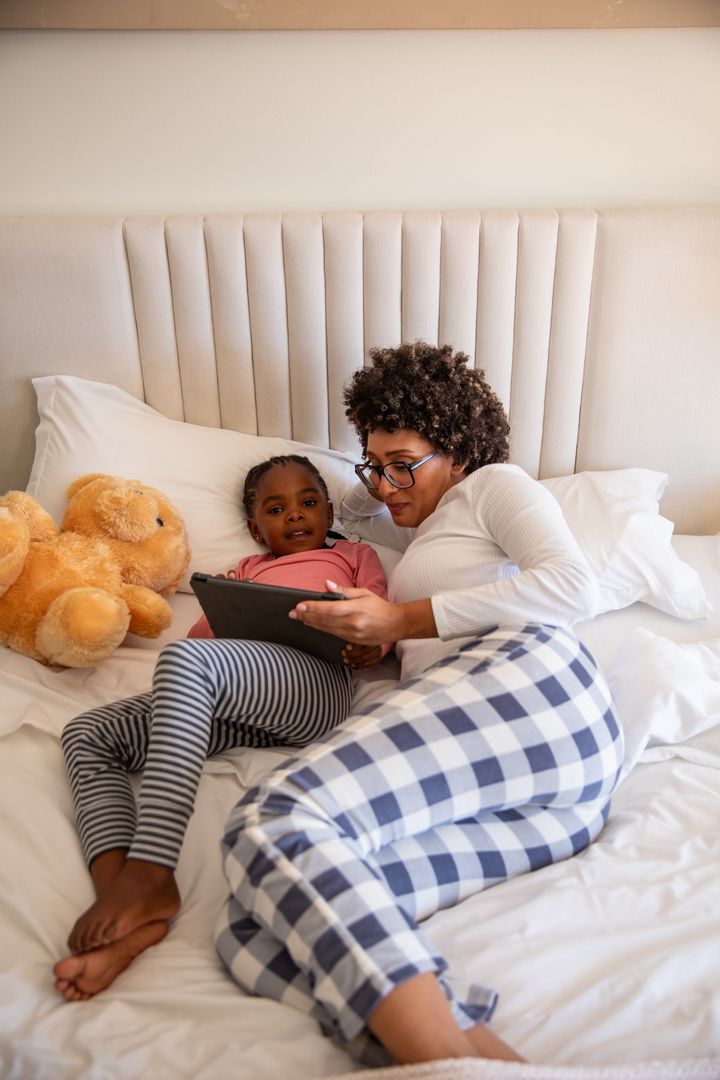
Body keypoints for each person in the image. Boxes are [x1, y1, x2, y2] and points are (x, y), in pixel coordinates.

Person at [213, 343, 624, 1067]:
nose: (386, 483)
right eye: (375, 463)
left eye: (402, 462)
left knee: (274, 819)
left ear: (459, 450)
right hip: (553, 788)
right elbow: (347, 508)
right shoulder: (411, 525)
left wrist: (401, 622)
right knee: (251, 926)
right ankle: (488, 1059)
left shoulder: (493, 486)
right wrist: (387, 472)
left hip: (528, 684)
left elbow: (573, 590)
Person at [53, 454, 388, 1001]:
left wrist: (371, 644)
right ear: (257, 528)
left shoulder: (355, 555)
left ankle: (152, 871)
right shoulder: (244, 573)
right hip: (239, 699)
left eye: (308, 502)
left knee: (182, 665)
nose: (296, 516)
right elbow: (201, 644)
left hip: (314, 687)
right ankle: (119, 906)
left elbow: (380, 619)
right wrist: (175, 702)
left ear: (329, 510)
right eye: (276, 509)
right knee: (88, 734)